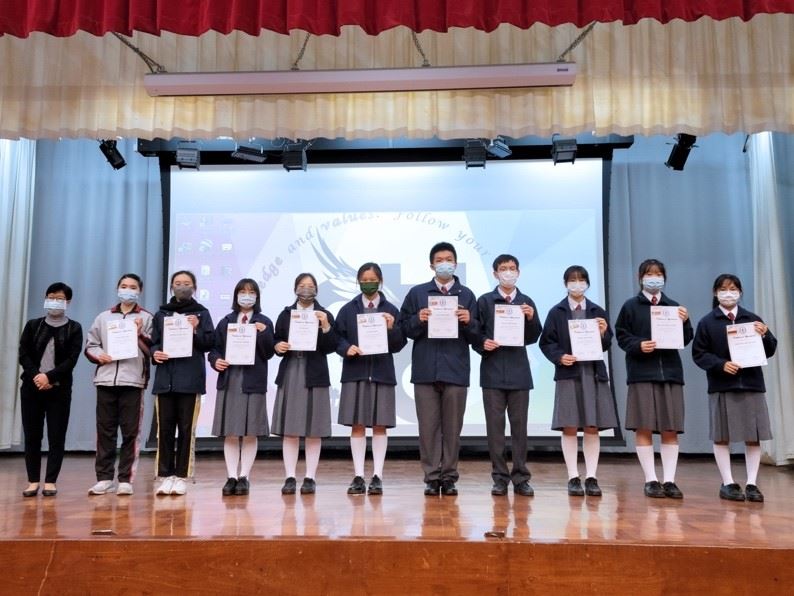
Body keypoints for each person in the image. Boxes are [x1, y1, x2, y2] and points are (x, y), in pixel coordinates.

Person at [400, 242, 479, 496]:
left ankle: (450, 477)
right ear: (432, 265)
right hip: (425, 370)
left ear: (455, 263)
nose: (445, 263)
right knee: (428, 428)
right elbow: (403, 329)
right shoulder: (417, 293)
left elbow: (478, 335)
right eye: (440, 260)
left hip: (456, 370)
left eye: (449, 259)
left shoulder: (467, 295)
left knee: (453, 429)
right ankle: (432, 477)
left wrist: (469, 322)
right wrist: (418, 319)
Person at [692, 274, 777, 502]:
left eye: (733, 289)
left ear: (740, 292)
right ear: (715, 293)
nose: (728, 293)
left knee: (753, 436)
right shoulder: (707, 322)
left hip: (751, 384)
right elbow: (699, 354)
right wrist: (720, 365)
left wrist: (766, 334)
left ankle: (752, 483)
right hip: (722, 385)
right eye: (723, 289)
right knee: (722, 436)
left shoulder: (752, 319)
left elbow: (770, 350)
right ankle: (728, 482)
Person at [615, 259, 693, 499]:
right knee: (644, 425)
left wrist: (685, 321)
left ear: (664, 278)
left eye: (659, 274)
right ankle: (650, 479)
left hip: (670, 373)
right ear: (640, 278)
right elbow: (621, 336)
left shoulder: (674, 307)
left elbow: (686, 338)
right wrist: (638, 345)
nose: (654, 278)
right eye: (649, 274)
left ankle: (669, 480)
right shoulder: (630, 306)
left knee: (670, 427)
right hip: (641, 373)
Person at [539, 265, 617, 497]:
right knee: (570, 425)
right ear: (566, 284)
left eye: (581, 279)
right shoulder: (556, 312)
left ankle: (591, 476)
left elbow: (606, 343)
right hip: (569, 373)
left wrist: (603, 333)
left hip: (592, 373)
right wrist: (559, 357)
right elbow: (546, 342)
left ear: (588, 283)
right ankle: (573, 476)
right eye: (572, 280)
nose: (577, 284)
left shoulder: (597, 310)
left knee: (592, 426)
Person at [335, 262, 407, 495]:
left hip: (382, 373)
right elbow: (336, 338)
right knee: (357, 426)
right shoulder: (348, 309)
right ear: (358, 282)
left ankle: (377, 476)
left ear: (381, 281)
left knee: (379, 426)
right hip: (355, 372)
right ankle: (358, 476)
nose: (368, 284)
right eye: (364, 280)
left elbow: (399, 344)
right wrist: (346, 348)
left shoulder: (391, 310)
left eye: (372, 280)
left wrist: (392, 328)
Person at [474, 254, 542, 497]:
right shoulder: (484, 301)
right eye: (503, 268)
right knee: (495, 429)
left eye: (512, 268)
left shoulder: (526, 301)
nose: (508, 272)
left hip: (519, 373)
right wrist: (483, 342)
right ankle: (500, 477)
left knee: (519, 428)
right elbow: (475, 333)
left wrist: (531, 318)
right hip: (492, 373)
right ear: (495, 273)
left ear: (519, 272)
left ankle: (521, 477)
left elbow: (533, 336)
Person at [84, 273, 153, 496]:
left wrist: (140, 333)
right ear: (117, 289)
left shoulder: (147, 317)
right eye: (124, 286)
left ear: (139, 291)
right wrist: (100, 355)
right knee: (105, 431)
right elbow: (91, 345)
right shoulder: (104, 317)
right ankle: (104, 478)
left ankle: (125, 479)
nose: (128, 290)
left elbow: (153, 350)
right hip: (105, 380)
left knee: (130, 432)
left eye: (133, 287)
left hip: (133, 381)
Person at [209, 278, 275, 496]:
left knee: (250, 432)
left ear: (257, 296)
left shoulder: (264, 321)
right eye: (243, 292)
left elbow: (269, 353)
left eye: (251, 292)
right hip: (230, 380)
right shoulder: (226, 321)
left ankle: (244, 476)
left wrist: (263, 333)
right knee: (231, 432)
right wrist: (216, 361)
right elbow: (214, 350)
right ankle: (231, 476)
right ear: (236, 295)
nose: (247, 296)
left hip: (253, 381)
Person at [272, 273, 337, 495]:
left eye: (310, 285)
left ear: (316, 289)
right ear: (295, 288)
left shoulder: (324, 314)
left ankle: (310, 477)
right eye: (302, 285)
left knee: (313, 429)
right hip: (291, 370)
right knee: (290, 429)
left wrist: (326, 326)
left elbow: (331, 346)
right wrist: (277, 346)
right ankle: (290, 477)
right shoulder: (285, 314)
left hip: (315, 372)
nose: (306, 289)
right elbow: (276, 339)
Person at [150, 271, 214, 496]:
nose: (182, 287)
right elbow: (154, 342)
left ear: (194, 287)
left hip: (190, 380)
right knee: (165, 429)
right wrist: (155, 353)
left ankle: (182, 476)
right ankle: (165, 476)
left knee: (186, 429)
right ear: (171, 287)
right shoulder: (162, 313)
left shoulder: (202, 313)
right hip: (165, 380)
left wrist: (196, 328)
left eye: (186, 283)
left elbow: (209, 343)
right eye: (177, 283)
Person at [18, 282, 83, 497]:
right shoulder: (33, 325)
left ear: (68, 302)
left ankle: (50, 481)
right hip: (32, 388)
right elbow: (23, 354)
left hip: (59, 391)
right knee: (32, 436)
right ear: (45, 298)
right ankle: (32, 481)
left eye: (60, 298)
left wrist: (49, 377)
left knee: (56, 436)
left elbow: (71, 360)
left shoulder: (74, 328)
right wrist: (37, 376)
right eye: (51, 297)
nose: (55, 302)